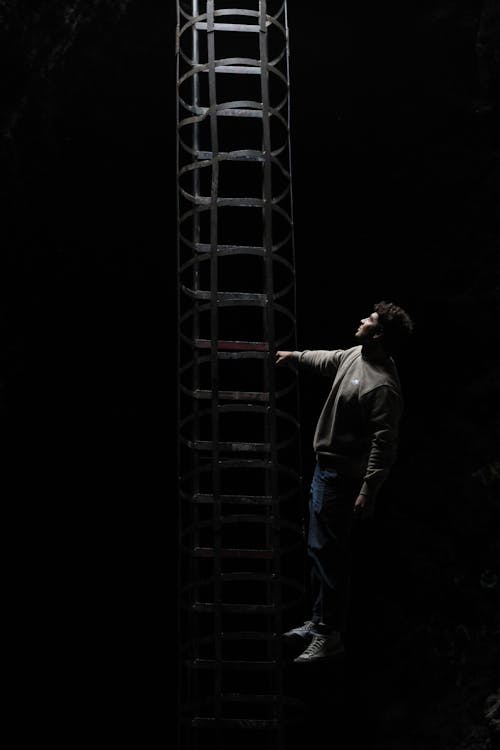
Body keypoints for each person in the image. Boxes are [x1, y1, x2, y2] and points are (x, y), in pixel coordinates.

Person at [276, 301, 414, 663]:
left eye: (369, 320)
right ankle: (321, 621)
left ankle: (329, 633)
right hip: (327, 471)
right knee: (319, 549)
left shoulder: (382, 386)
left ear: (379, 333)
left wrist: (368, 490)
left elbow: (385, 444)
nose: (362, 320)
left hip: (342, 479)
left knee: (330, 554)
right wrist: (296, 356)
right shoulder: (357, 354)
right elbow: (330, 359)